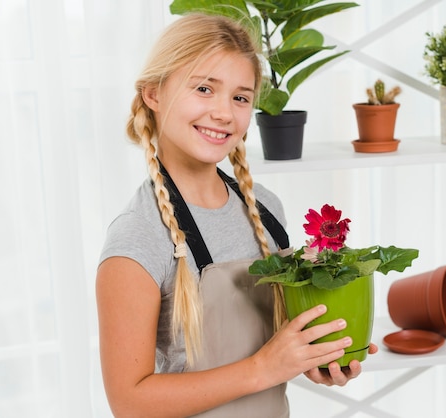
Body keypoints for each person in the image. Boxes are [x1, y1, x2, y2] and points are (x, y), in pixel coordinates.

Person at [96, 13, 377, 418]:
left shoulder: (265, 210)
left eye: (241, 97)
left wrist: (318, 357)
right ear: (153, 94)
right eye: (205, 88)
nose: (224, 113)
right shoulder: (138, 237)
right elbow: (130, 402)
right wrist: (263, 369)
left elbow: (277, 343)